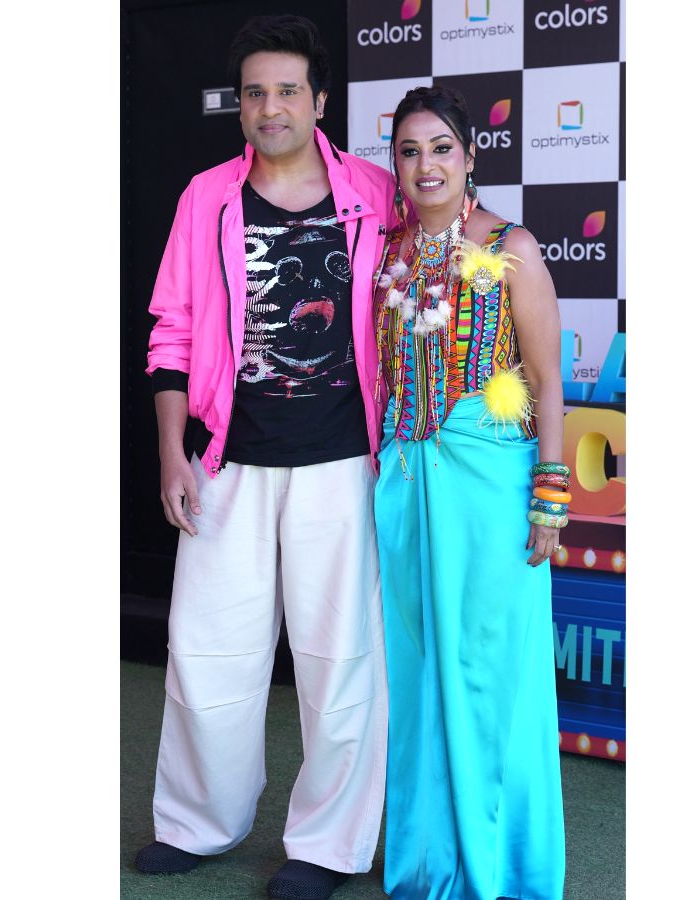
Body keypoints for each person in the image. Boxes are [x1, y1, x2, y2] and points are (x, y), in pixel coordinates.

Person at [136, 15, 397, 900]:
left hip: (343, 461)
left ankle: (328, 847)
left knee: (342, 662)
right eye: (256, 93)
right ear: (241, 106)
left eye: (288, 90)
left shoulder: (372, 191)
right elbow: (171, 330)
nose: (271, 107)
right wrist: (172, 453)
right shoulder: (205, 196)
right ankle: (198, 824)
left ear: (320, 100)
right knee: (206, 651)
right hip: (227, 461)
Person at [372, 85, 567, 899]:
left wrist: (550, 496)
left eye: (441, 148)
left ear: (470, 155)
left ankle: (502, 870)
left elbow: (547, 383)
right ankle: (431, 865)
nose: (427, 165)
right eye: (410, 151)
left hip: (490, 489)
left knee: (490, 673)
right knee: (419, 675)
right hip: (406, 489)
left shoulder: (511, 245)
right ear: (395, 164)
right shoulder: (388, 253)